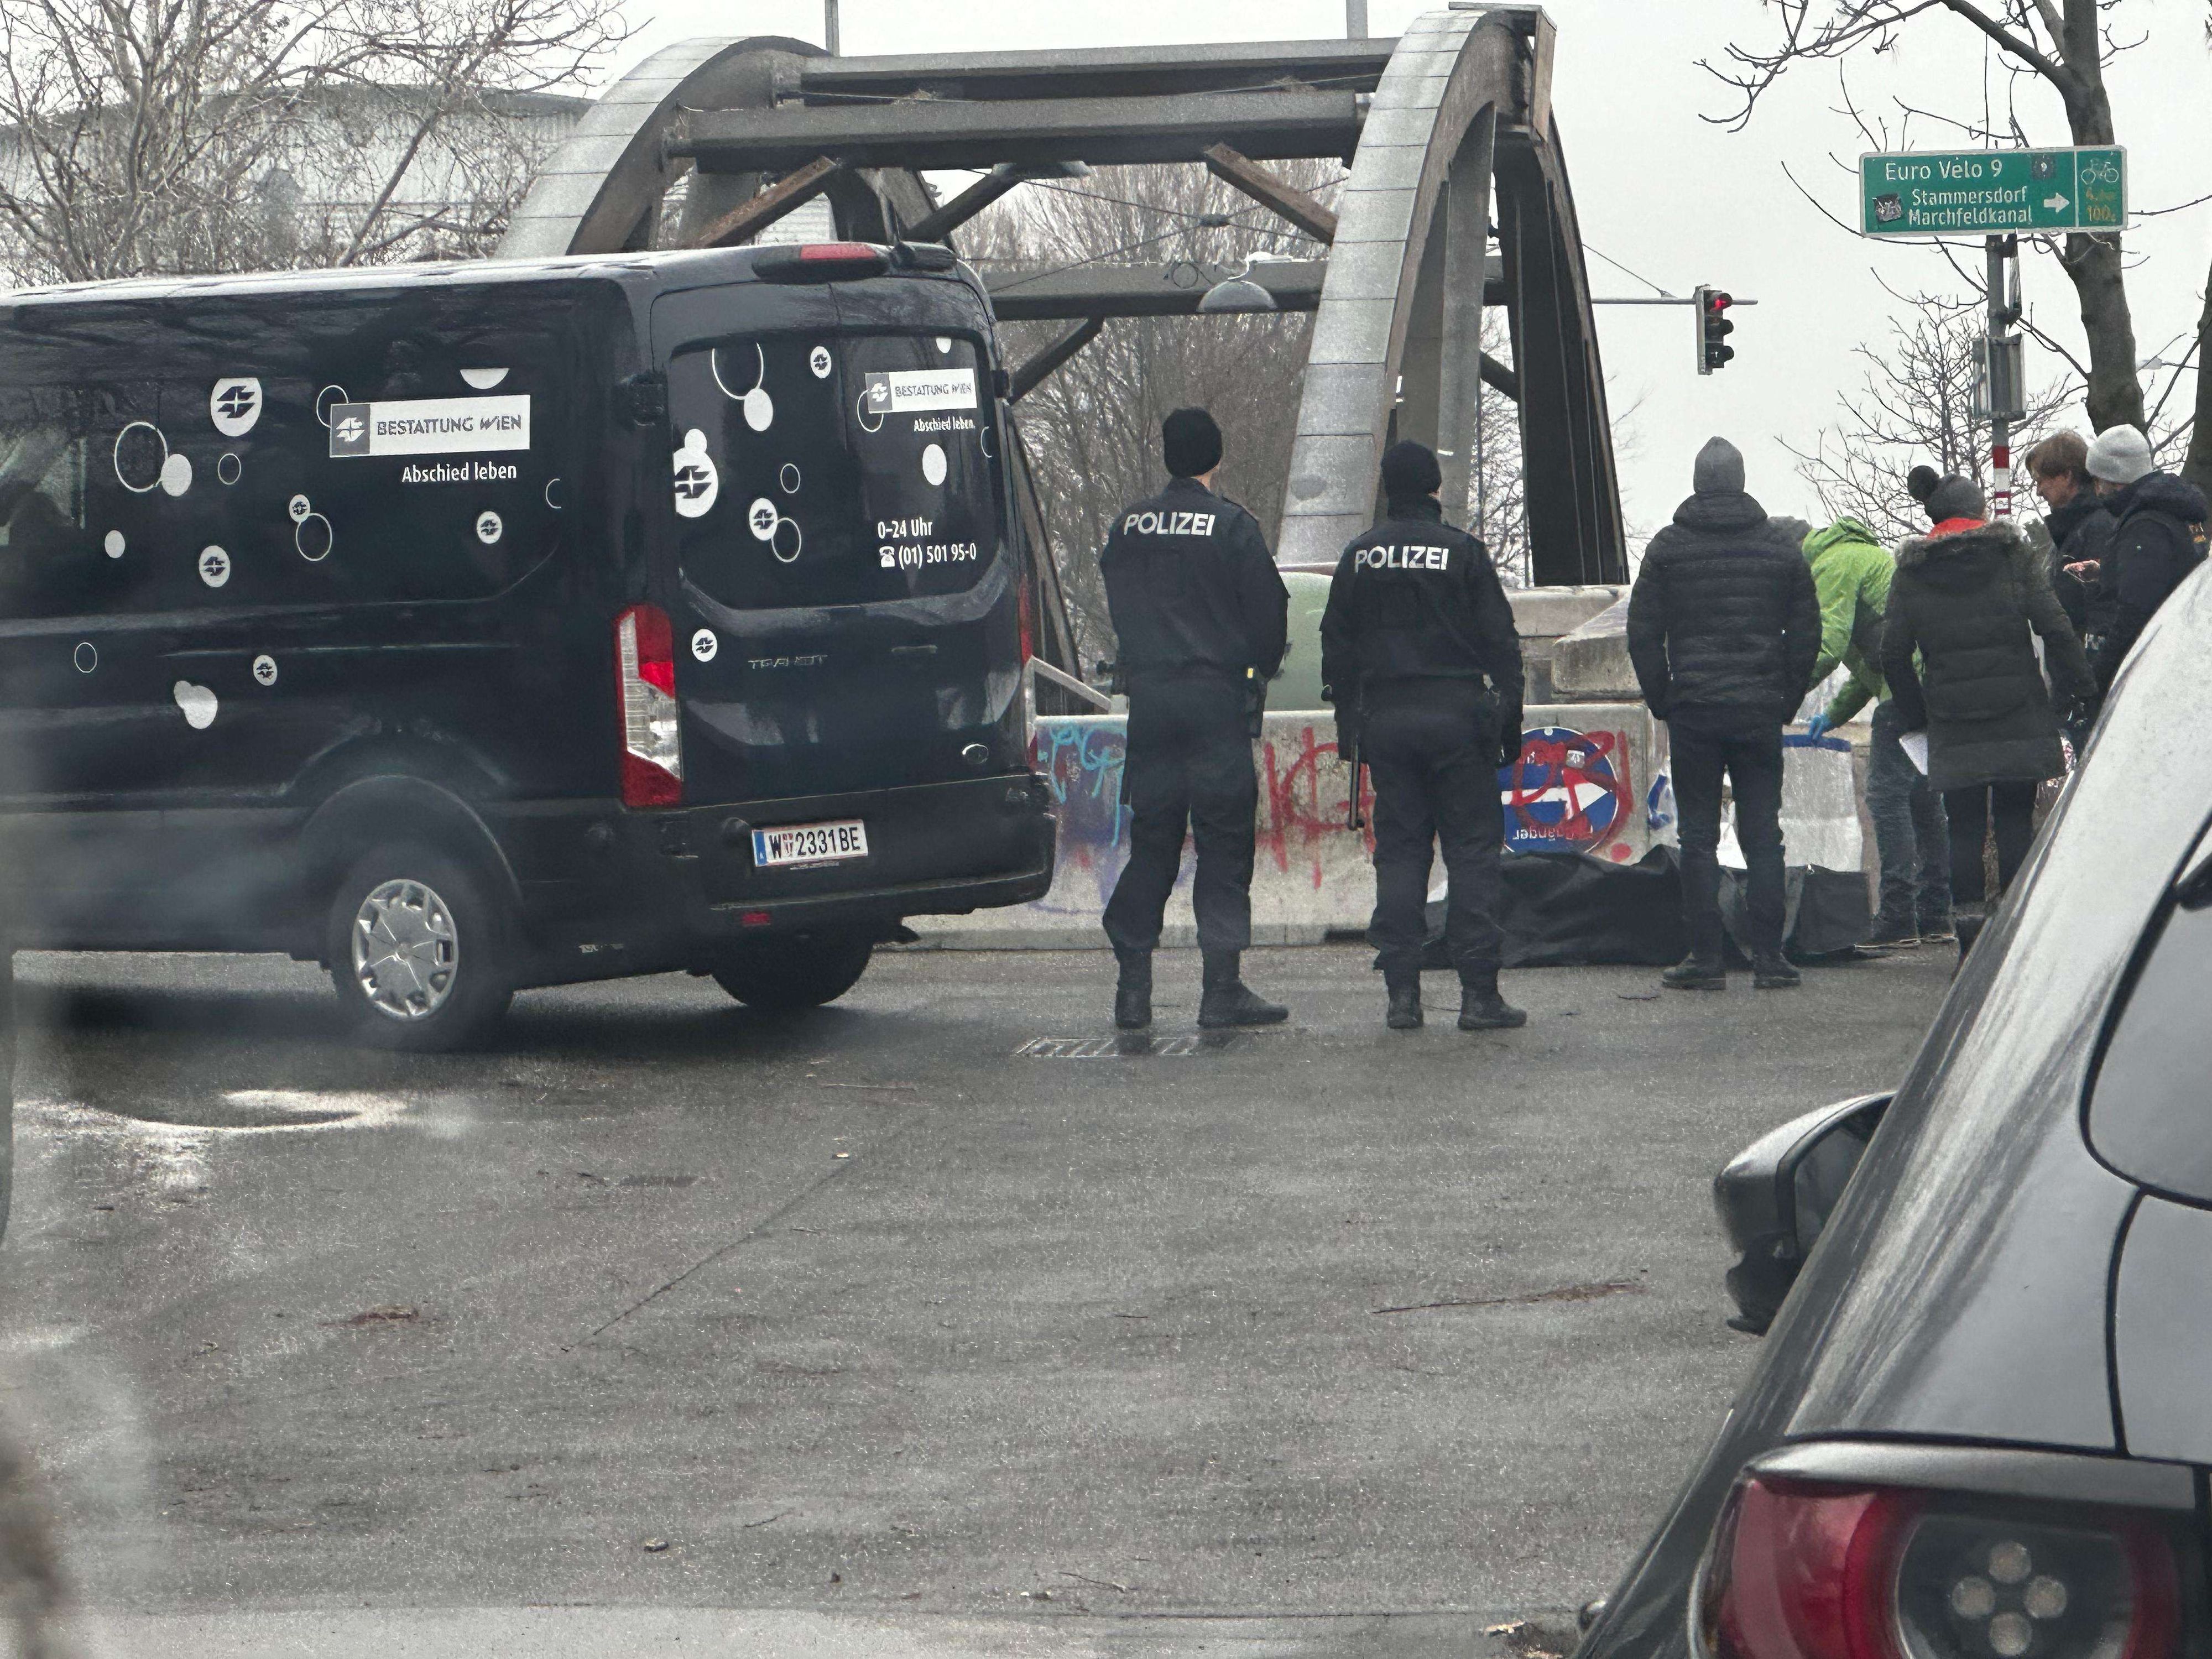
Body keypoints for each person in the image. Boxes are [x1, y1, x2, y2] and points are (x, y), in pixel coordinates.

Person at [1321, 439, 1526, 1032]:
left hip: (1388, 721)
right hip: (1457, 717)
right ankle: (1478, 995)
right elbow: (1501, 643)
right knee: (1471, 854)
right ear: (1435, 488)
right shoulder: (1462, 552)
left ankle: (1403, 996)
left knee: (1401, 854)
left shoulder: (1359, 556)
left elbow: (1336, 647)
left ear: (1388, 490)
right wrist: (1508, 721)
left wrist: (1350, 728)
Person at [1098, 407, 1291, 1031]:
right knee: (1223, 845)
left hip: (1152, 705)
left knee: (1153, 843)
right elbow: (1269, 618)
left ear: (1167, 456)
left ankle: (1133, 991)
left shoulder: (1128, 528)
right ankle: (1220, 990)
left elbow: (1119, 606)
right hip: (1214, 704)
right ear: (1217, 456)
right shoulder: (1232, 526)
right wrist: (1252, 670)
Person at [1627, 437, 1821, 992]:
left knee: (1697, 835)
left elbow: (1642, 632)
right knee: (1763, 834)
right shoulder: (1779, 546)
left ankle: (1706, 958)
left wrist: (1663, 698)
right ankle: (1770, 959)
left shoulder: (1668, 548)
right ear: (1741, 481)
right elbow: (1806, 632)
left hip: (1694, 710)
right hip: (1758, 708)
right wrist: (1784, 698)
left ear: (1697, 482)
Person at [1881, 471, 2094, 935]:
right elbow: (2055, 627)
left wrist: (1919, 716)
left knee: (1964, 827)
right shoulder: (2011, 557)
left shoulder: (1913, 572)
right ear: (1980, 512)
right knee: (2015, 819)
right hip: (2018, 709)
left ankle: (1968, 939)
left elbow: (1892, 655)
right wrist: (2081, 690)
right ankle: (2011, 934)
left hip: (1952, 717)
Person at [1798, 517, 1953, 948]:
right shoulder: (1864, 556)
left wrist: (1779, 692)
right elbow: (1871, 665)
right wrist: (1832, 715)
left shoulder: (1831, 564)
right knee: (1923, 799)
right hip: (1930, 682)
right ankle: (1936, 913)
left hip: (1906, 688)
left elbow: (1828, 645)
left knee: (1886, 798)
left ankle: (1898, 916)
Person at [2080, 425, 2209, 694]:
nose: (2097, 490)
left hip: (2151, 669)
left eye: (2098, 480)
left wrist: (2099, 678)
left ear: (2115, 479)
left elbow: (2135, 610)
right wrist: (2108, 571)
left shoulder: (2145, 526)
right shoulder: (2172, 513)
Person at [2022, 431, 2116, 651]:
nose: (2039, 492)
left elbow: (2101, 608)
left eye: (2041, 481)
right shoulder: (2074, 529)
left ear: (2067, 476)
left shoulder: (2097, 528)